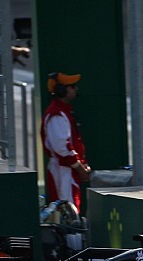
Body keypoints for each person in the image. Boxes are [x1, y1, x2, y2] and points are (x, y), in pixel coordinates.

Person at [41, 72, 91, 211]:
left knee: (71, 210)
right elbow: (62, 147)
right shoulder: (57, 114)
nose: (76, 89)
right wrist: (80, 168)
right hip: (62, 171)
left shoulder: (62, 111)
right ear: (61, 90)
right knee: (68, 211)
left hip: (67, 169)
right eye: (72, 86)